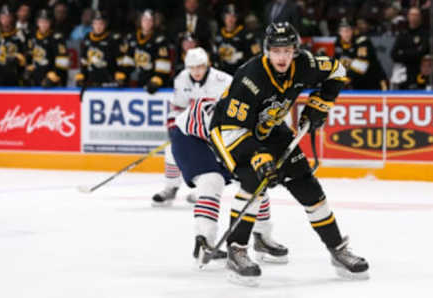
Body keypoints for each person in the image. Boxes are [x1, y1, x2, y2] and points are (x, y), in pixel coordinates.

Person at [209, 22, 369, 285]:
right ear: (266, 51)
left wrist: (320, 103)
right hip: (230, 133)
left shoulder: (305, 65)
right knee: (254, 181)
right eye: (276, 50)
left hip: (271, 129)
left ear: (295, 50)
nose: (282, 56)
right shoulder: (250, 78)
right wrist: (259, 157)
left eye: (287, 50)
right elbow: (232, 129)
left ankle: (337, 249)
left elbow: (338, 71)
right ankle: (236, 250)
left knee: (308, 186)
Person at [168, 48, 289, 264]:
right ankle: (204, 240)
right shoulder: (233, 110)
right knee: (212, 181)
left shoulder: (261, 103)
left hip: (221, 135)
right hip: (191, 136)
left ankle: (262, 236)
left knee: (256, 179)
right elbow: (226, 139)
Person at [151, 47, 230, 206]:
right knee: (171, 151)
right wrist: (174, 129)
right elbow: (177, 108)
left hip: (217, 130)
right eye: (192, 68)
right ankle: (171, 188)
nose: (196, 71)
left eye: (200, 67)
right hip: (192, 128)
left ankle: (204, 190)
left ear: (207, 65)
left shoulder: (224, 81)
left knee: (211, 158)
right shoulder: (182, 79)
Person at [123, 9, 172, 93]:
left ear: (153, 22)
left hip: (152, 80)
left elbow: (163, 63)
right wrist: (123, 75)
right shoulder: (131, 37)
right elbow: (128, 60)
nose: (147, 23)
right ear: (140, 21)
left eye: (150, 20)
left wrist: (157, 80)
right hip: (135, 80)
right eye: (145, 20)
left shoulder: (160, 40)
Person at [334, 18, 388, 90]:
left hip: (373, 81)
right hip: (356, 84)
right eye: (342, 31)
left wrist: (345, 79)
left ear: (353, 30)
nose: (346, 34)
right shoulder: (338, 43)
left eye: (348, 30)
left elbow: (362, 67)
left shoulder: (362, 42)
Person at [75, 11, 126, 88]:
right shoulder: (87, 38)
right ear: (92, 24)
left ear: (105, 25)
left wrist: (120, 75)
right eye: (96, 23)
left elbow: (120, 60)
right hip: (91, 79)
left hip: (109, 79)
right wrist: (82, 75)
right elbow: (84, 60)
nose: (98, 26)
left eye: (101, 24)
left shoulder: (112, 39)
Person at [212, 4, 261, 75]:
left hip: (240, 73)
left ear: (237, 18)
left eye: (233, 16)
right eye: (228, 16)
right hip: (222, 73)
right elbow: (214, 55)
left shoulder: (246, 34)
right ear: (223, 18)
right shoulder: (219, 34)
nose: (230, 19)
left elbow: (256, 54)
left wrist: (242, 56)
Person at [25, 9, 69, 87]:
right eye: (41, 22)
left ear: (50, 23)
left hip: (52, 79)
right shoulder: (32, 36)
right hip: (36, 77)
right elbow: (29, 56)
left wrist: (55, 74)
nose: (43, 24)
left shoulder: (57, 37)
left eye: (46, 22)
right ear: (37, 22)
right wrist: (29, 68)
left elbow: (63, 61)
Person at [0, 5, 27, 86]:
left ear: (12, 18)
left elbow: (25, 55)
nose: (6, 20)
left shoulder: (19, 35)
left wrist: (19, 58)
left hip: (15, 76)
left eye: (8, 17)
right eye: (3, 17)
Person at [391, 7, 430, 90]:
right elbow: (393, 54)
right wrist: (413, 53)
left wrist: (403, 53)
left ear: (420, 17)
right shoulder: (403, 34)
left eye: (416, 15)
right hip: (404, 73)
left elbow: (421, 52)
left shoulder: (424, 34)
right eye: (412, 15)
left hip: (419, 72)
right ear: (408, 16)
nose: (414, 17)